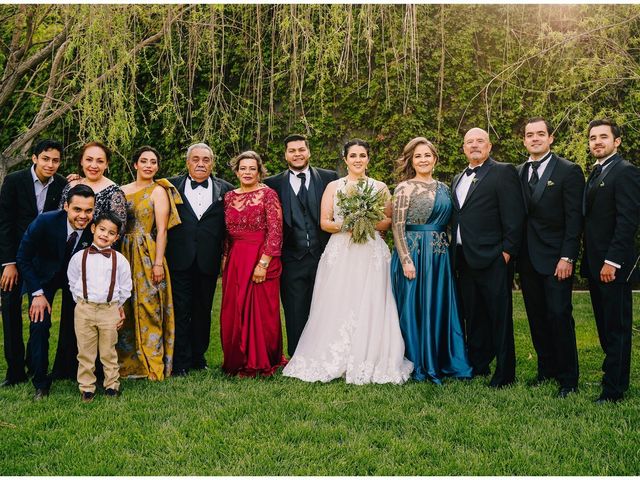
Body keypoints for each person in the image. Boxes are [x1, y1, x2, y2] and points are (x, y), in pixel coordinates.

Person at [282, 139, 413, 384]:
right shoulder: (333, 186)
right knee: (338, 300)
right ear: (345, 159)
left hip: (371, 251)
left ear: (368, 159)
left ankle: (371, 353)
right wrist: (350, 224)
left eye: (362, 155)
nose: (358, 160)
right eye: (353, 156)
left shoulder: (380, 187)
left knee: (372, 299)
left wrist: (366, 220)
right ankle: (333, 355)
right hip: (342, 250)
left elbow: (387, 220)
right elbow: (325, 222)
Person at [390, 137, 472, 384]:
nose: (423, 160)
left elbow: (449, 226)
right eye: (418, 156)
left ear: (435, 159)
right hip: (413, 252)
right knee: (414, 306)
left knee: (438, 305)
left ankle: (442, 358)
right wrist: (405, 259)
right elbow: (397, 226)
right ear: (411, 161)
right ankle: (416, 359)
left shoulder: (445, 188)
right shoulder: (404, 188)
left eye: (427, 155)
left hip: (439, 256)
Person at [451, 127, 525, 388]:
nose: (474, 145)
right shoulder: (458, 177)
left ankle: (505, 373)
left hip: (493, 257)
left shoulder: (503, 172)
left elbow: (514, 216)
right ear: (463, 148)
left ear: (489, 146)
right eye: (469, 142)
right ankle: (479, 364)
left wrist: (506, 252)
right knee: (474, 315)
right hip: (463, 259)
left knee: (499, 317)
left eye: (479, 141)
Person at [516, 118, 585, 398]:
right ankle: (546, 369)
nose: (535, 138)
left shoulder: (569, 171)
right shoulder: (518, 172)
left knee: (559, 315)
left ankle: (568, 378)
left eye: (540, 134)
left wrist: (567, 257)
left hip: (557, 259)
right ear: (524, 140)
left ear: (550, 138)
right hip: (528, 259)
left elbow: (574, 220)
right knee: (536, 316)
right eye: (530, 135)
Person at [16, 184, 95, 400]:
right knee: (40, 325)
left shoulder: (96, 229)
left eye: (89, 210)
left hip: (74, 281)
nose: (83, 216)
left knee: (79, 323)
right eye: (77, 209)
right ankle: (40, 382)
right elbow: (23, 257)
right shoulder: (45, 222)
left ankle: (72, 371)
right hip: (43, 277)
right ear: (66, 206)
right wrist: (37, 294)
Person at [56, 141, 127, 379]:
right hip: (71, 257)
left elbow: (118, 229)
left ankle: (102, 372)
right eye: (89, 159)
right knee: (73, 311)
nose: (93, 165)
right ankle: (68, 366)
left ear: (107, 164)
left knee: (102, 323)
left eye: (99, 160)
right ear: (81, 161)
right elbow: (61, 216)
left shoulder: (114, 191)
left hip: (99, 260)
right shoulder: (71, 186)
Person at [582, 119, 640, 404]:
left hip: (611, 266)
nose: (597, 142)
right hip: (595, 263)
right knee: (605, 325)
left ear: (617, 141)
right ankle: (611, 374)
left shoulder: (626, 172)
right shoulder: (596, 172)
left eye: (603, 137)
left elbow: (628, 221)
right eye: (593, 138)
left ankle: (615, 390)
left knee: (616, 327)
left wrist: (613, 261)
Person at [0, 139, 67, 387]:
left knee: (39, 313)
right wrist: (9, 262)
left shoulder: (61, 185)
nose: (50, 165)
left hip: (45, 261)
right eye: (46, 159)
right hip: (15, 258)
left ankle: (34, 363)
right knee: (11, 310)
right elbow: (5, 223)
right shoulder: (15, 181)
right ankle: (15, 371)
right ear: (35, 158)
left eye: (56, 160)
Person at [263, 135, 338, 357]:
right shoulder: (273, 184)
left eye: (301, 149)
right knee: (294, 310)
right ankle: (297, 356)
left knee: (326, 307)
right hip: (291, 257)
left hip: (323, 255)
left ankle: (325, 354)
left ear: (309, 152)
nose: (297, 154)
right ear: (285, 155)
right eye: (292, 150)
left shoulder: (329, 178)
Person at [165, 143, 233, 376]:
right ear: (187, 162)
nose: (201, 164)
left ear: (212, 163)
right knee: (181, 310)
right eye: (196, 159)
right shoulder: (170, 186)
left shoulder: (226, 190)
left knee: (203, 310)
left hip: (208, 260)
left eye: (206, 159)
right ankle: (180, 360)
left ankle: (198, 356)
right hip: (179, 259)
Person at [220, 151, 287, 376]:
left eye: (252, 169)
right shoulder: (229, 196)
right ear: (236, 171)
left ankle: (261, 359)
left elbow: (276, 230)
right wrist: (226, 258)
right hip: (236, 259)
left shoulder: (268, 195)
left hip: (260, 256)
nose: (247, 172)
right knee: (234, 309)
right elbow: (227, 234)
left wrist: (264, 263)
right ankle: (237, 357)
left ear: (259, 172)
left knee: (260, 311)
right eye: (243, 168)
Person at [117, 146, 182, 380]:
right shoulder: (121, 190)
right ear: (135, 164)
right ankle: (127, 364)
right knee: (123, 306)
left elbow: (162, 230)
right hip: (122, 251)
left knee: (149, 305)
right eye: (143, 161)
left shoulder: (159, 191)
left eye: (153, 162)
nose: (148, 165)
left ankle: (152, 364)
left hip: (147, 252)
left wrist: (157, 263)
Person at [67, 212, 132, 402]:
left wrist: (117, 306)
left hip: (109, 310)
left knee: (108, 351)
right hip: (84, 309)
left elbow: (125, 286)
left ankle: (112, 385)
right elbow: (72, 281)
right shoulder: (79, 257)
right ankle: (87, 387)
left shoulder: (119, 260)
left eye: (111, 233)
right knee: (85, 351)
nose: (105, 235)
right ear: (93, 228)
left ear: (116, 237)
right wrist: (82, 302)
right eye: (102, 229)